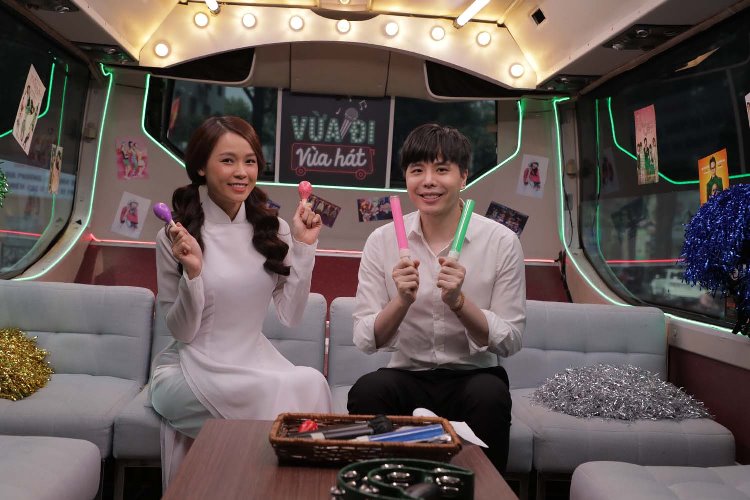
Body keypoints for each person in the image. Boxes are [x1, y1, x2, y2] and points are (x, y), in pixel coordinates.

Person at [150, 116, 332, 486]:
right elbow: (182, 332)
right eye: (227, 160)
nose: (241, 172)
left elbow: (291, 315)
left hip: (254, 360)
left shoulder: (275, 229)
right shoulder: (174, 236)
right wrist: (193, 274)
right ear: (201, 166)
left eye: (249, 161)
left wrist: (303, 247)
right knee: (269, 392)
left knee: (312, 382)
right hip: (189, 368)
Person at [348, 123, 526, 473]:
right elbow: (365, 339)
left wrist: (459, 302)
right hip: (407, 373)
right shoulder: (381, 241)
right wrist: (401, 301)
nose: (428, 181)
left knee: (490, 397)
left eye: (442, 169)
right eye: (417, 170)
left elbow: (511, 340)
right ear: (406, 178)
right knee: (367, 391)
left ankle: (481, 490)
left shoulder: (502, 242)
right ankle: (380, 487)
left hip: (472, 376)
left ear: (464, 177)